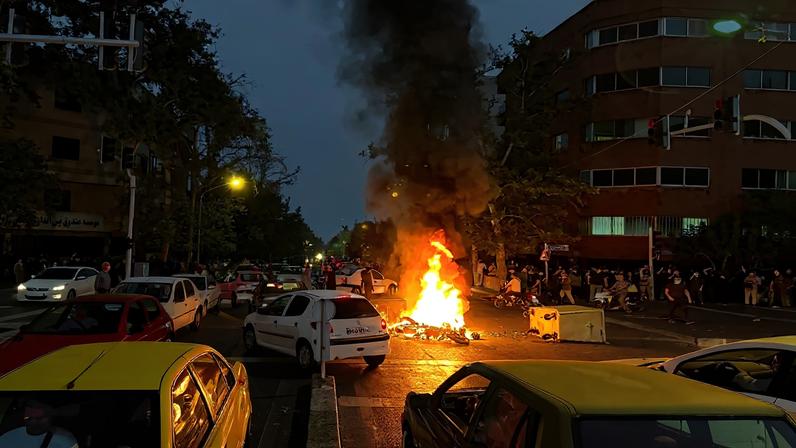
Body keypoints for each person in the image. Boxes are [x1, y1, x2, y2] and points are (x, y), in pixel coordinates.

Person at [0, 400, 78, 447]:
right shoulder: (9, 436)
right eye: (29, 417)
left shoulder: (64, 439)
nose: (33, 420)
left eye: (39, 417)